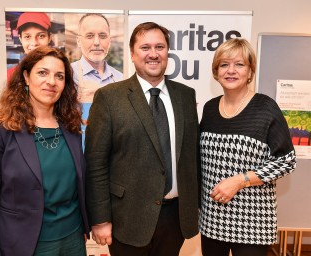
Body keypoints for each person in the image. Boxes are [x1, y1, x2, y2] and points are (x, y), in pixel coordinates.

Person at [85, 22, 200, 256]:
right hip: (127, 218)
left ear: (168, 52)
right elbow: (96, 163)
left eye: (160, 46)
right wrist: (100, 219)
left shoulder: (186, 96)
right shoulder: (109, 97)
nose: (153, 54)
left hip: (174, 219)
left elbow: (191, 156)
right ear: (132, 54)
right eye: (145, 47)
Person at [0, 46, 89, 256]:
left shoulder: (72, 127)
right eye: (42, 73)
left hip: (73, 239)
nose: (51, 82)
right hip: (25, 244)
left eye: (59, 76)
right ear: (26, 77)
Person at [198, 38, 297, 256]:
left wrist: (239, 180)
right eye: (224, 64)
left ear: (250, 71)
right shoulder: (210, 109)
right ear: (216, 72)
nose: (231, 70)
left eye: (239, 64)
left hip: (251, 222)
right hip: (212, 220)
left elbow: (287, 161)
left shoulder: (266, 108)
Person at [71, 13, 123, 104]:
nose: (96, 42)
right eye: (90, 36)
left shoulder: (120, 79)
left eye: (102, 36)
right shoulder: (68, 74)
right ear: (78, 41)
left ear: (109, 41)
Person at [7, 12, 53, 81]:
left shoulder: (62, 72)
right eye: (27, 36)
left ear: (49, 38)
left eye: (41, 36)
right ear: (20, 39)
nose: (34, 43)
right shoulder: (10, 76)